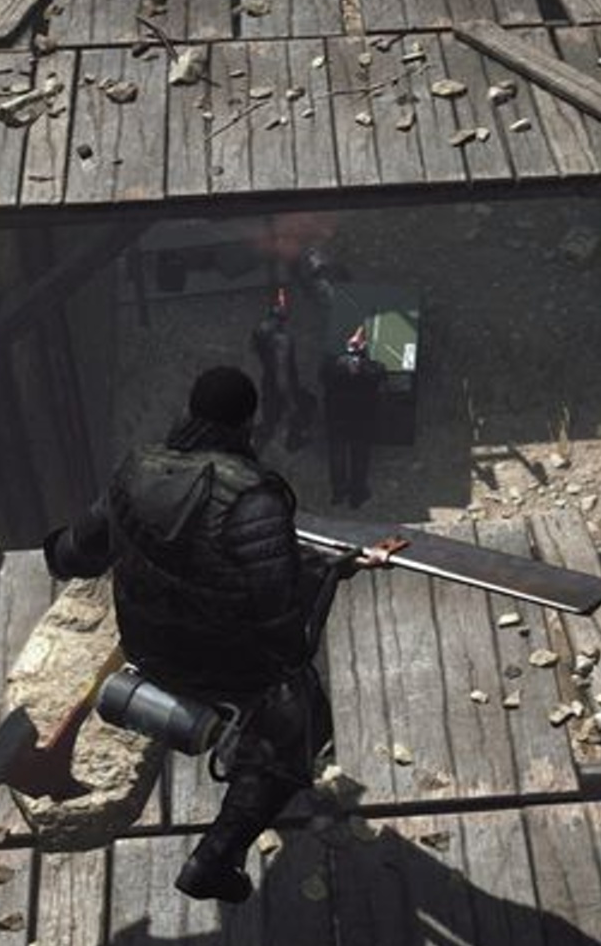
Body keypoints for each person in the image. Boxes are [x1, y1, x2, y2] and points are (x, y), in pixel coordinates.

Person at [43, 366, 366, 903]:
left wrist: (57, 547)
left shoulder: (135, 470)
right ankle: (215, 858)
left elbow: (75, 555)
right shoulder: (254, 500)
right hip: (224, 669)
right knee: (297, 719)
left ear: (191, 412)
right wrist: (328, 570)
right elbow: (281, 626)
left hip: (147, 647)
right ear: (247, 422)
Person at [321, 325, 386, 507]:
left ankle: (338, 492)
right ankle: (356, 495)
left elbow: (324, 380)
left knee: (337, 455)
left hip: (337, 416)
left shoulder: (332, 366)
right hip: (361, 419)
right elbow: (381, 385)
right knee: (359, 456)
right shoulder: (374, 368)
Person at [249, 295, 316, 453]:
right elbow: (282, 374)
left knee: (270, 419)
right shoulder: (282, 340)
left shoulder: (260, 330)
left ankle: (255, 447)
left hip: (268, 380)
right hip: (283, 384)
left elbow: (253, 348)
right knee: (304, 406)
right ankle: (294, 440)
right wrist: (290, 400)